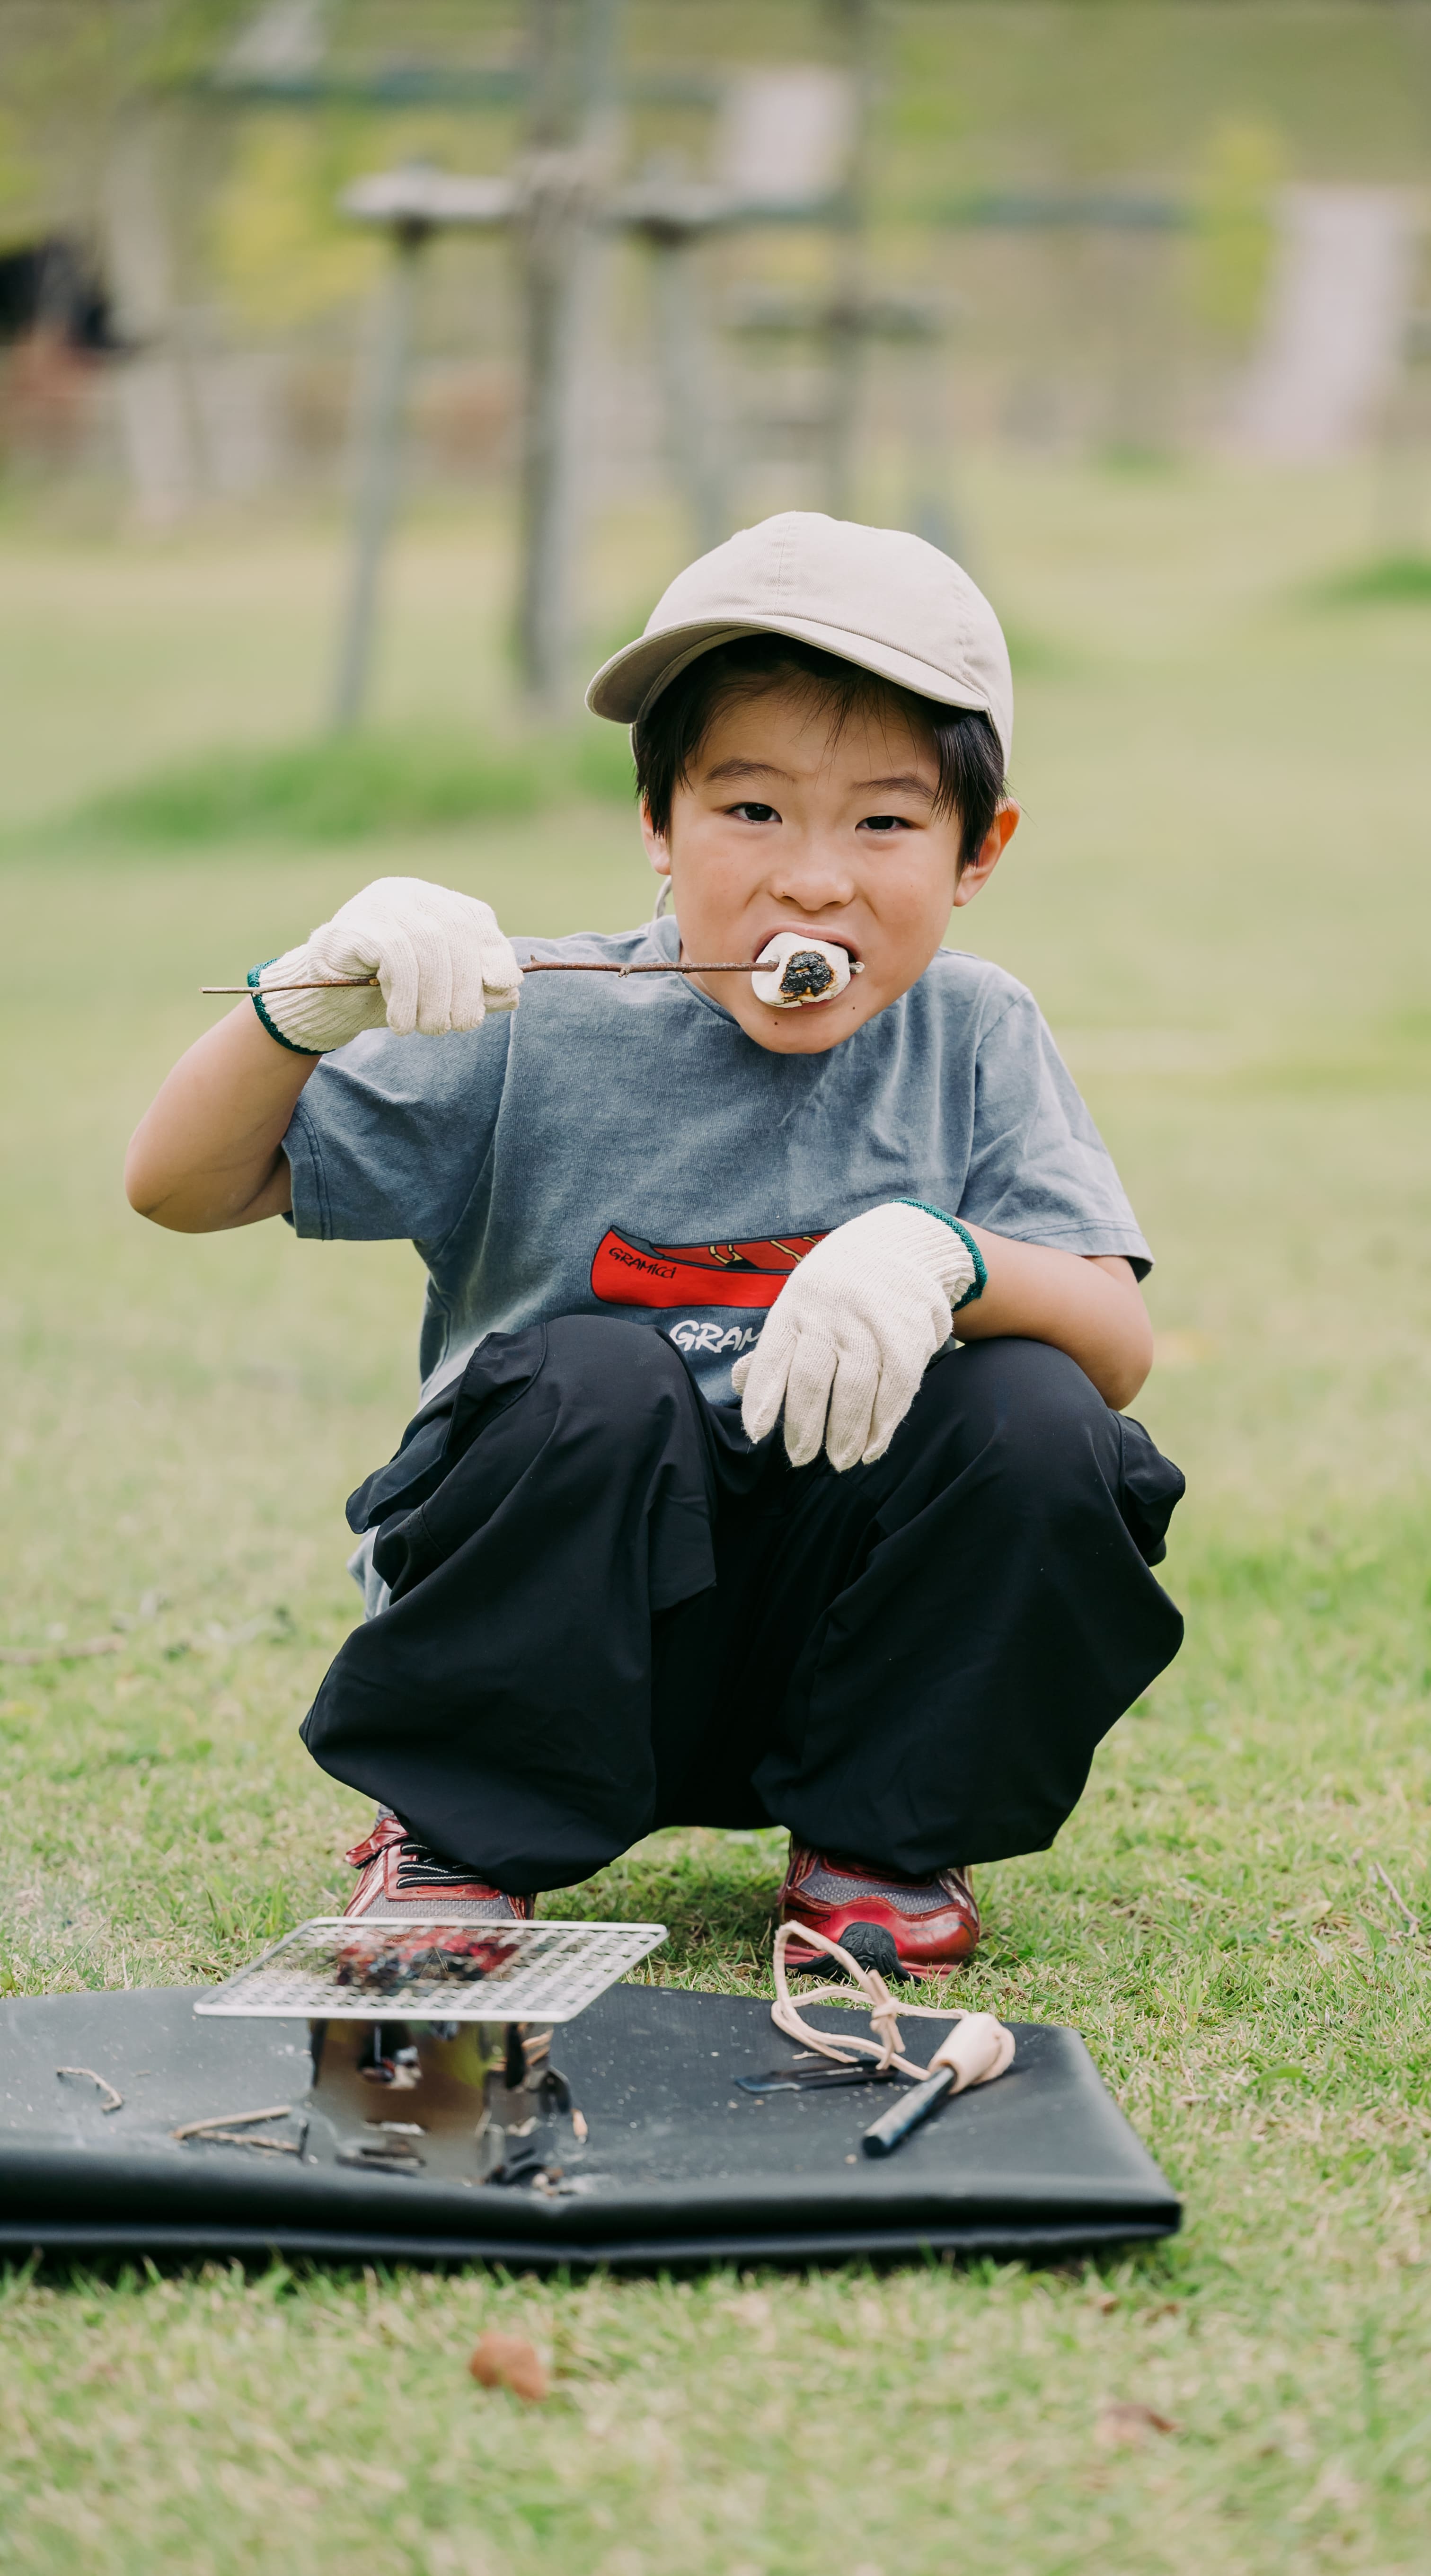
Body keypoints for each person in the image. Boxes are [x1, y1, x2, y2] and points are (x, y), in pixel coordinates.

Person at [124, 512, 1185, 1980]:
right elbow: (177, 1185)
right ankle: (459, 1838)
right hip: (550, 1645)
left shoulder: (977, 1032)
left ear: (977, 852)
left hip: (842, 1648)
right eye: (750, 813)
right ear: (656, 827)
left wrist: (952, 1257)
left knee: (1036, 1407)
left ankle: (880, 1836)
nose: (815, 879)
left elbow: (1119, 1353)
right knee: (591, 1383)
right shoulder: (541, 1023)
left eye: (884, 823)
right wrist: (298, 1001)